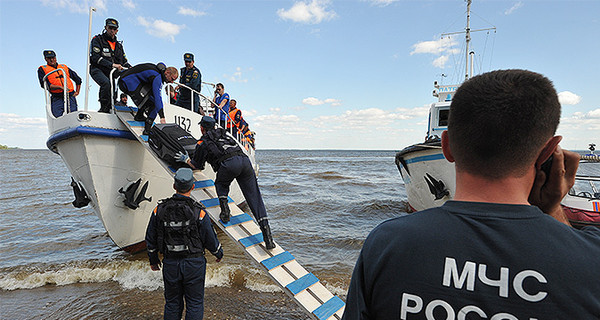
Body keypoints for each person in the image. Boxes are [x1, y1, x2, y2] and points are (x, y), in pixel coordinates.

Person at [342, 69, 599, 319]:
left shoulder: (386, 244)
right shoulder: (590, 259)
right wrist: (552, 210)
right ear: (549, 151)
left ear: (447, 146)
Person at [175, 116, 276, 250]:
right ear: (215, 127)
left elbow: (197, 165)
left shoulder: (203, 142)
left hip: (229, 165)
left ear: (202, 128)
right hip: (245, 162)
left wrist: (186, 159)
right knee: (254, 197)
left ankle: (225, 212)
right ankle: (268, 237)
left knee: (221, 185)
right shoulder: (226, 135)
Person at [146, 167, 223, 320]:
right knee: (194, 303)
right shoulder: (199, 212)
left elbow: (150, 238)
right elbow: (209, 238)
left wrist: (153, 260)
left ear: (174, 186)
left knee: (172, 303)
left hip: (170, 263)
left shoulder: (159, 209)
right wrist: (218, 253)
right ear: (192, 187)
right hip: (194, 263)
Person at [117, 63, 178, 134]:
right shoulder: (157, 76)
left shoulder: (156, 71)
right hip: (126, 82)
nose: (172, 82)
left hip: (126, 79)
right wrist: (162, 117)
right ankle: (147, 130)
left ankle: (139, 116)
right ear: (167, 73)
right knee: (154, 103)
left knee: (150, 98)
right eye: (172, 79)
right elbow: (157, 97)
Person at [90, 18, 132, 113]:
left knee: (113, 91)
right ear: (106, 28)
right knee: (106, 84)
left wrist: (131, 68)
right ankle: (104, 109)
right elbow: (95, 58)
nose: (112, 30)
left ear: (117, 30)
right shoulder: (97, 40)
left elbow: (124, 61)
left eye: (114, 29)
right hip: (97, 69)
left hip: (111, 73)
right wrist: (113, 65)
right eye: (110, 28)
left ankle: (112, 108)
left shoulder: (119, 46)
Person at [37, 50, 82, 117]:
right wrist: (60, 87)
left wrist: (77, 92)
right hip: (57, 97)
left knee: (73, 116)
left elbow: (78, 80)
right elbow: (45, 85)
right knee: (57, 117)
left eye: (53, 58)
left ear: (56, 57)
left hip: (70, 96)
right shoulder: (42, 69)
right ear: (45, 59)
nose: (52, 60)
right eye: (49, 58)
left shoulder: (64, 67)